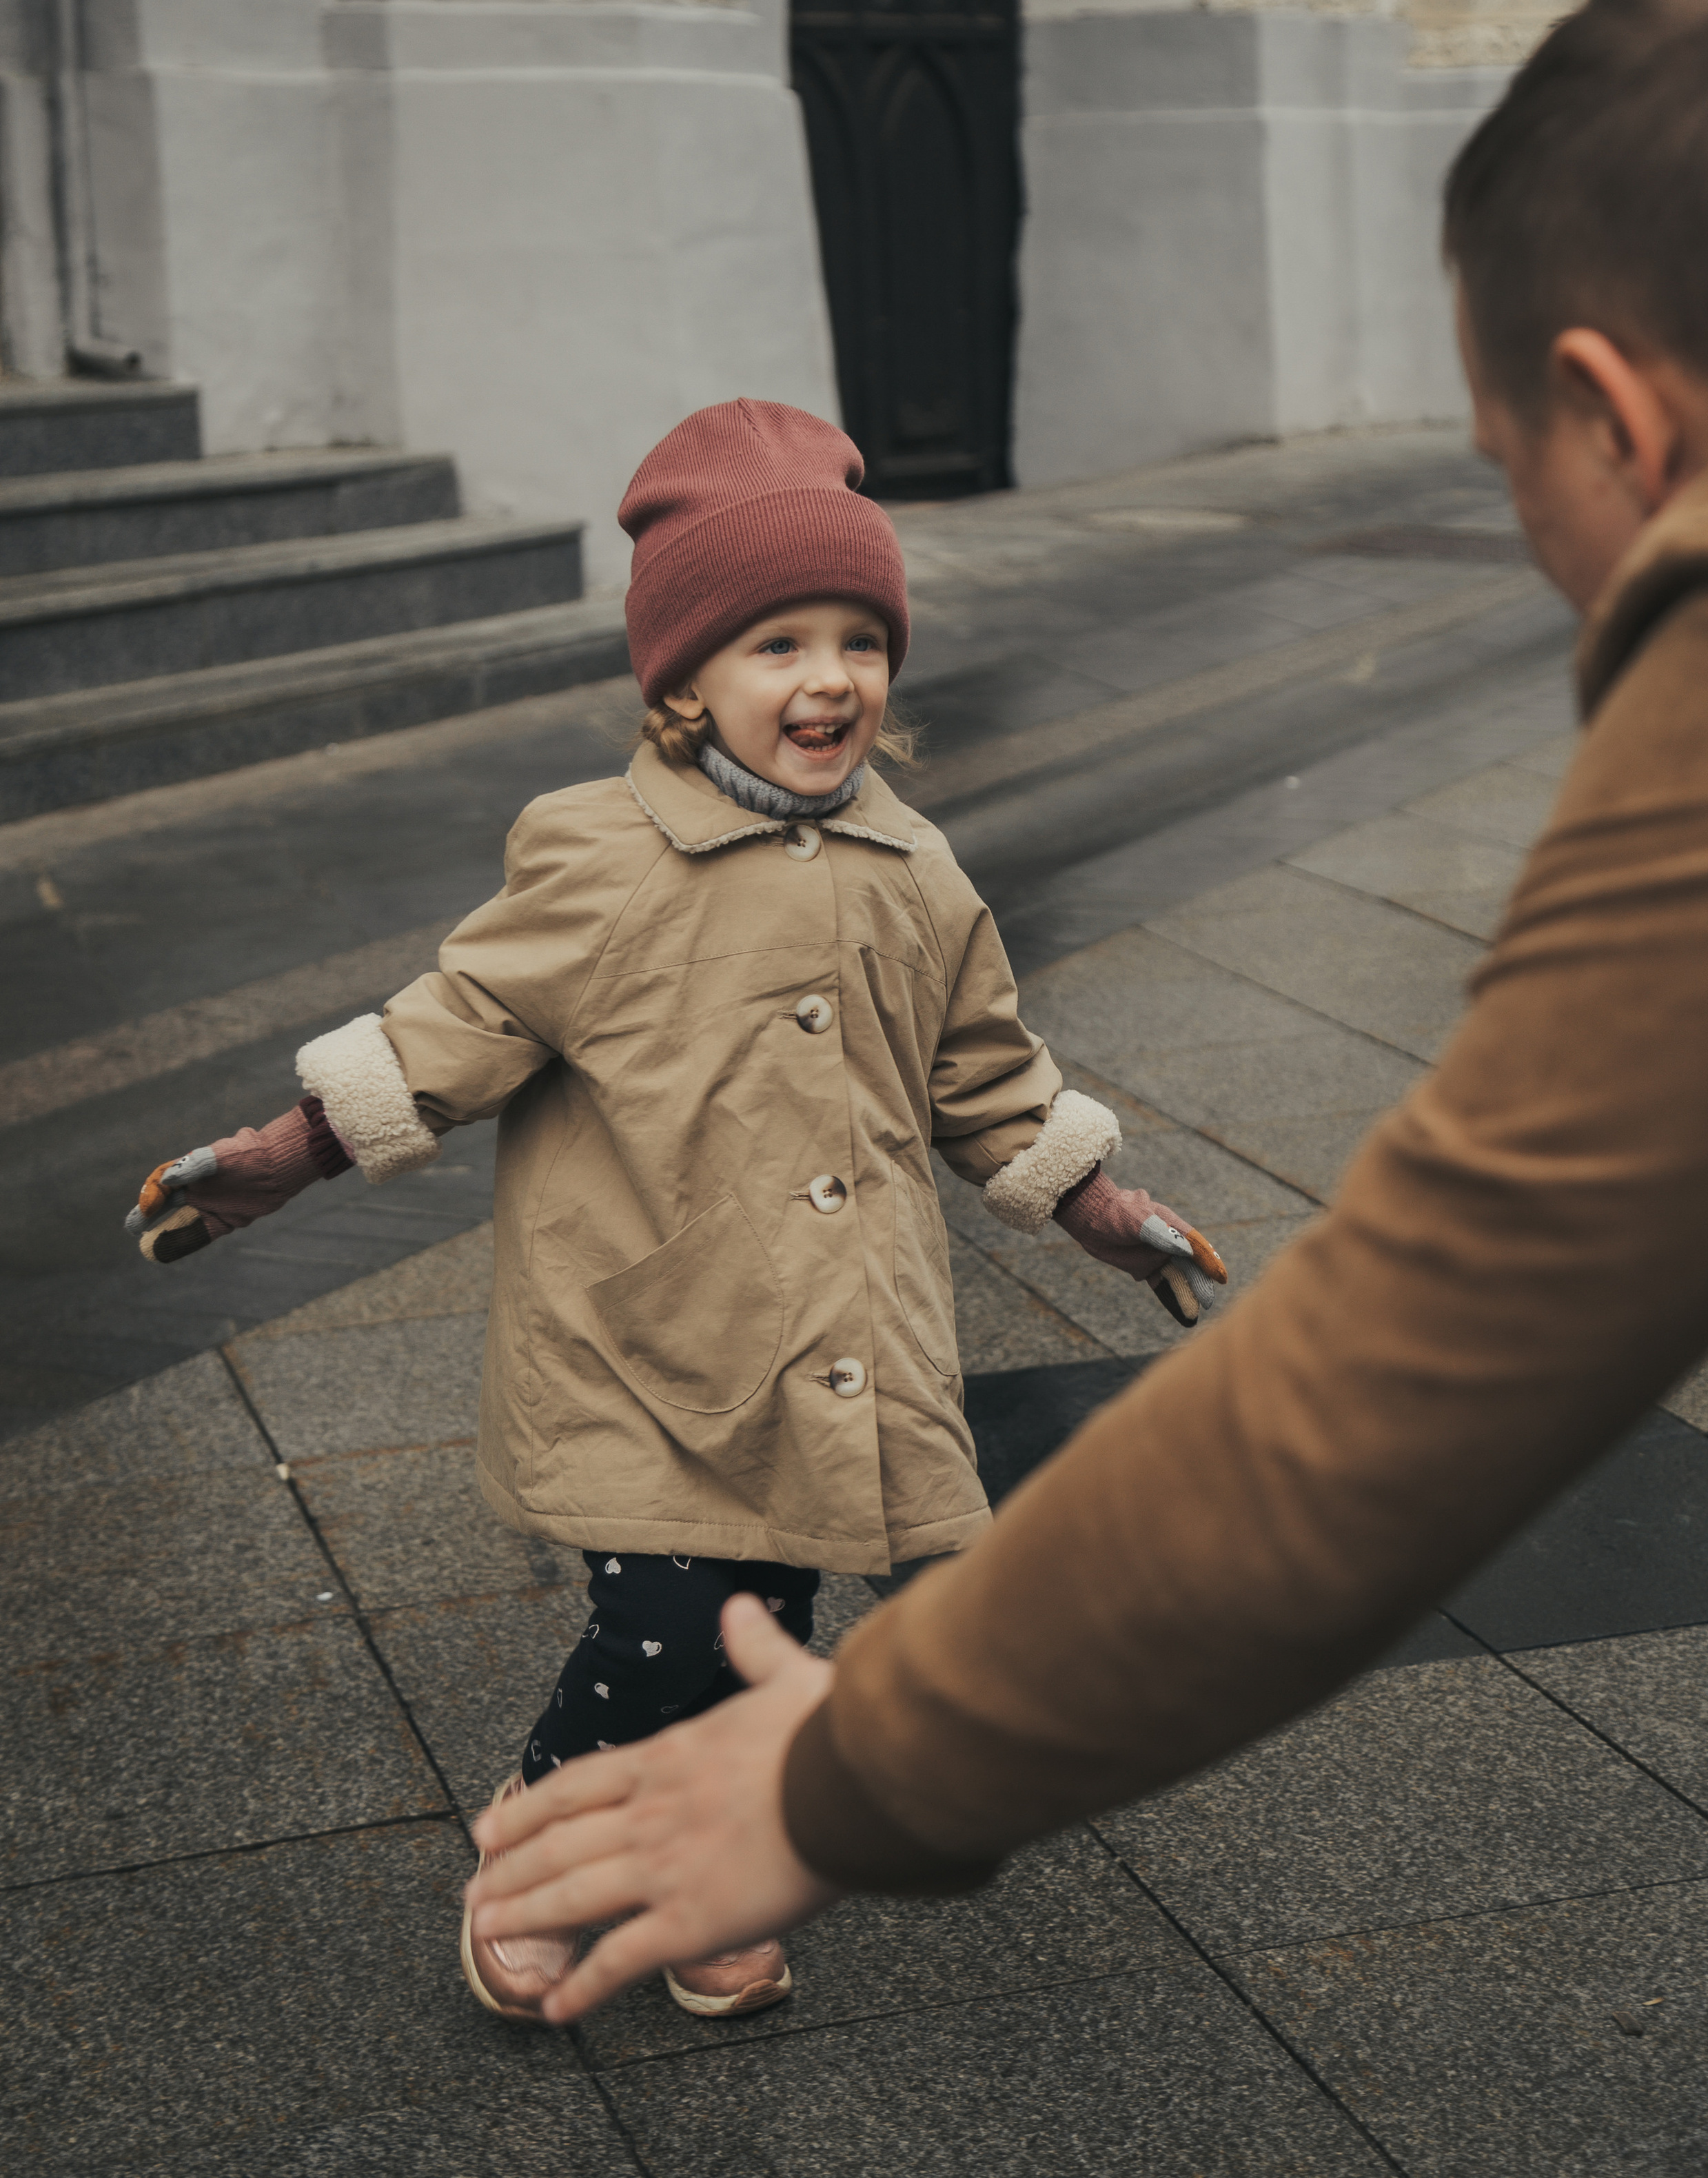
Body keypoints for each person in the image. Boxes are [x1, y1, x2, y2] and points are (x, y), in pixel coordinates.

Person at [459, 0, 1708, 2026]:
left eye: (1516, 473)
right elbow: (466, 1023)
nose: (1535, 539)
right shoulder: (608, 851)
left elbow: (1385, 1403)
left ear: (1616, 417)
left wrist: (850, 1774)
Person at [125, 396, 1224, 2021]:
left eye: (859, 639)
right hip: (652, 1337)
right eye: (777, 642)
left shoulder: (916, 866)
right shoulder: (603, 855)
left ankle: (701, 1876)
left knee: (758, 1619)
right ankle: (533, 1841)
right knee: (665, 1624)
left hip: (836, 1334)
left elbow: (982, 1071)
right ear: (682, 678)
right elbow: (455, 1027)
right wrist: (297, 1147)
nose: (829, 679)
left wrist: (1096, 1202)